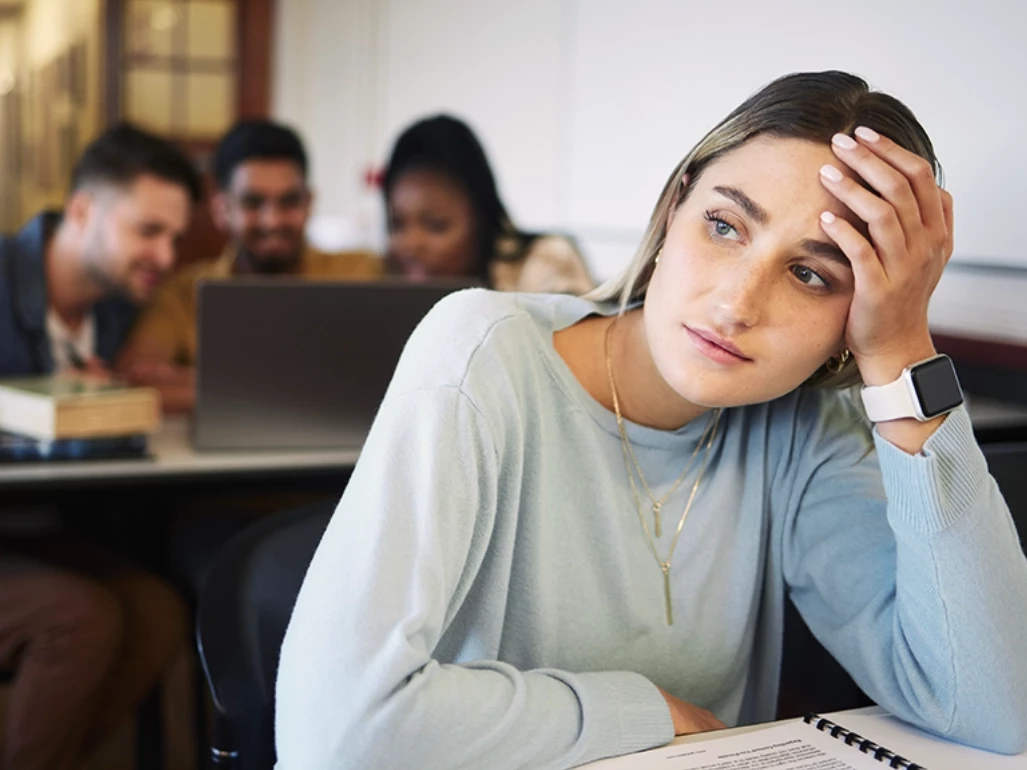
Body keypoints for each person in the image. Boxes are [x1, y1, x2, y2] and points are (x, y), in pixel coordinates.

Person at [275, 71, 1027, 769]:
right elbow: (336, 732)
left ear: (850, 320)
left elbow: (995, 707)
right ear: (674, 211)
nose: (736, 302)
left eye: (809, 274)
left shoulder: (801, 430)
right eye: (725, 226)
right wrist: (647, 713)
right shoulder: (479, 352)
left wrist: (900, 350)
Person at [0, 123, 198, 770]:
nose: (166, 257)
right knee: (80, 616)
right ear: (82, 211)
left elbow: (146, 388)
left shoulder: (118, 313)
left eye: (175, 237)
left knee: (158, 611)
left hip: (42, 533)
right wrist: (45, 399)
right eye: (148, 231)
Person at [118, 119, 384, 413]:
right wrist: (305, 389)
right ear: (222, 209)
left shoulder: (361, 273)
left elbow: (387, 382)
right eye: (253, 202)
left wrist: (219, 387)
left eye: (289, 201)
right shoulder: (183, 292)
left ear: (309, 203)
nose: (273, 221)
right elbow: (134, 384)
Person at [383, 114, 594, 294]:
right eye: (397, 225)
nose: (411, 244)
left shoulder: (546, 262)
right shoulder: (382, 278)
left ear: (481, 217)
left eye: (436, 225)